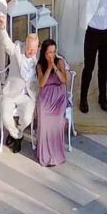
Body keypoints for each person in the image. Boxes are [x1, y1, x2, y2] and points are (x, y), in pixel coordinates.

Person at [54, 0, 107, 113]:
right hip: (93, 33)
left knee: (103, 68)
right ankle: (83, 98)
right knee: (88, 67)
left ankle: (103, 98)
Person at [0, 17, 39, 153]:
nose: (31, 52)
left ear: (37, 48)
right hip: (11, 93)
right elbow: (6, 42)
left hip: (28, 95)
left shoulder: (39, 58)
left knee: (26, 118)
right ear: (25, 45)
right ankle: (17, 136)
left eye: (33, 49)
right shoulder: (16, 50)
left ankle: (16, 133)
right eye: (29, 48)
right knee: (5, 117)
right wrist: (2, 28)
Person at [35, 38, 69, 167]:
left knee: (57, 120)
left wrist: (54, 67)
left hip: (59, 95)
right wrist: (48, 68)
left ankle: (56, 153)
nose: (52, 55)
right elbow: (42, 83)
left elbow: (64, 80)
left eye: (53, 52)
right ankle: (44, 153)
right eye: (49, 52)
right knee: (44, 118)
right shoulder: (40, 66)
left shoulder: (60, 62)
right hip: (46, 94)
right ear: (44, 53)